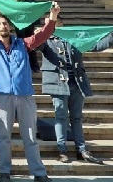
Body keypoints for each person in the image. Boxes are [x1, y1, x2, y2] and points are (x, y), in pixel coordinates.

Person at [0, 0, 59, 182]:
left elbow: (42, 36)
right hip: (1, 96)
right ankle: (5, 172)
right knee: (3, 136)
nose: (3, 26)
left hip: (24, 95)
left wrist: (52, 18)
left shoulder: (22, 44)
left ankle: (39, 173)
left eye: (5, 23)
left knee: (30, 137)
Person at [39, 30, 107, 164]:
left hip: (77, 83)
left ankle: (81, 150)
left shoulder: (74, 38)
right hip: (58, 84)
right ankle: (62, 150)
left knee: (77, 118)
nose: (51, 25)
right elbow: (36, 46)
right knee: (61, 116)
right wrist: (39, 35)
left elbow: (96, 45)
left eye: (54, 22)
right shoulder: (46, 39)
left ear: (61, 25)